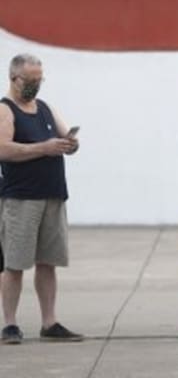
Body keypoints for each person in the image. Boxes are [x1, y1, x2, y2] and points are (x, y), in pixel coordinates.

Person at [0, 54, 82, 345]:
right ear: (14, 78)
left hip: (52, 194)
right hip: (22, 198)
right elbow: (3, 149)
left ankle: (50, 321)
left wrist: (69, 144)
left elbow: (63, 137)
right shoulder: (5, 110)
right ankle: (10, 324)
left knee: (48, 262)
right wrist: (42, 148)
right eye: (31, 80)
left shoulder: (45, 108)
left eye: (39, 79)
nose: (35, 85)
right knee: (15, 263)